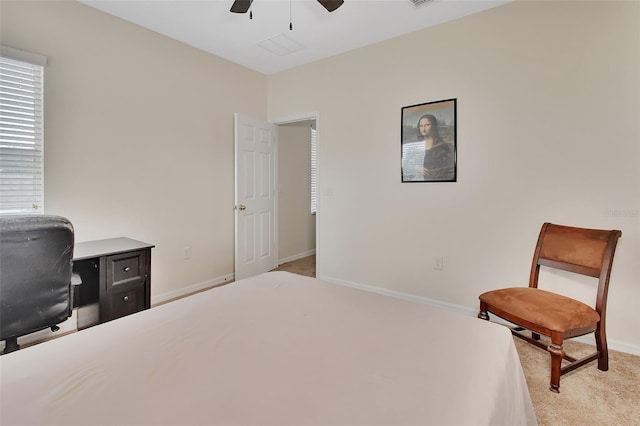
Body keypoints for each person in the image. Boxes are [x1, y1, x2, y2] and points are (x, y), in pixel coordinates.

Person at [415, 114, 455, 181]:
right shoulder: (416, 147)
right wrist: (416, 168)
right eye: (421, 126)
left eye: (427, 125)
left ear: (434, 126)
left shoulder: (445, 147)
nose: (423, 129)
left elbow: (450, 169)